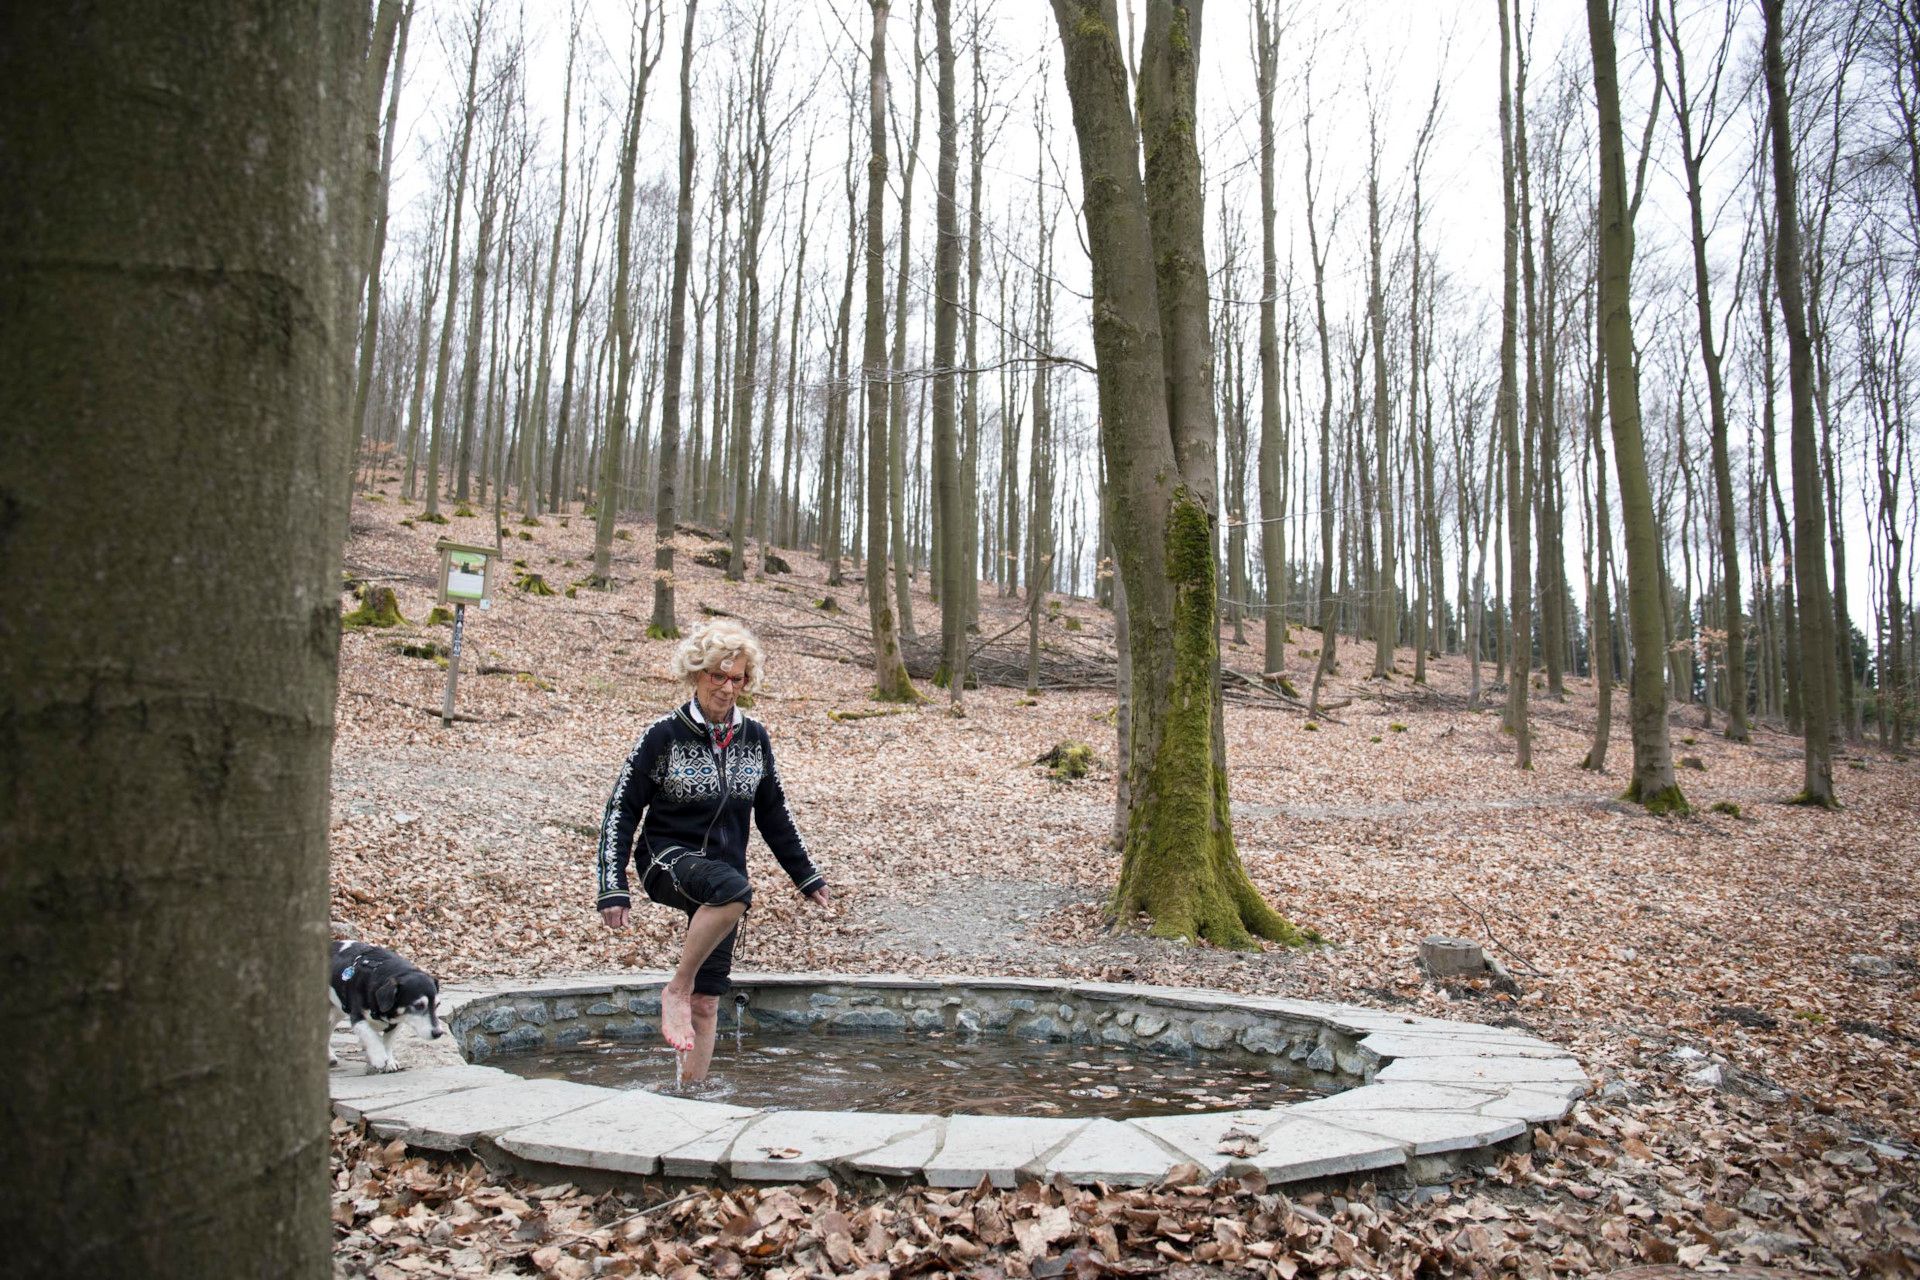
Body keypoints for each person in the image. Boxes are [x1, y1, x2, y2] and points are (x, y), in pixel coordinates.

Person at [594, 619, 829, 1080]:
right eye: (716, 676)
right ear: (696, 675)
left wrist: (806, 876)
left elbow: (774, 813)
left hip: (723, 875)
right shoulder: (663, 735)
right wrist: (612, 886)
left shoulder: (754, 737)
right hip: (667, 859)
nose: (726, 687)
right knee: (735, 893)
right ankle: (674, 990)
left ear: (747, 679)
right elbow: (621, 809)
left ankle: (690, 1096)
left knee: (708, 1000)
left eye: (736, 677)